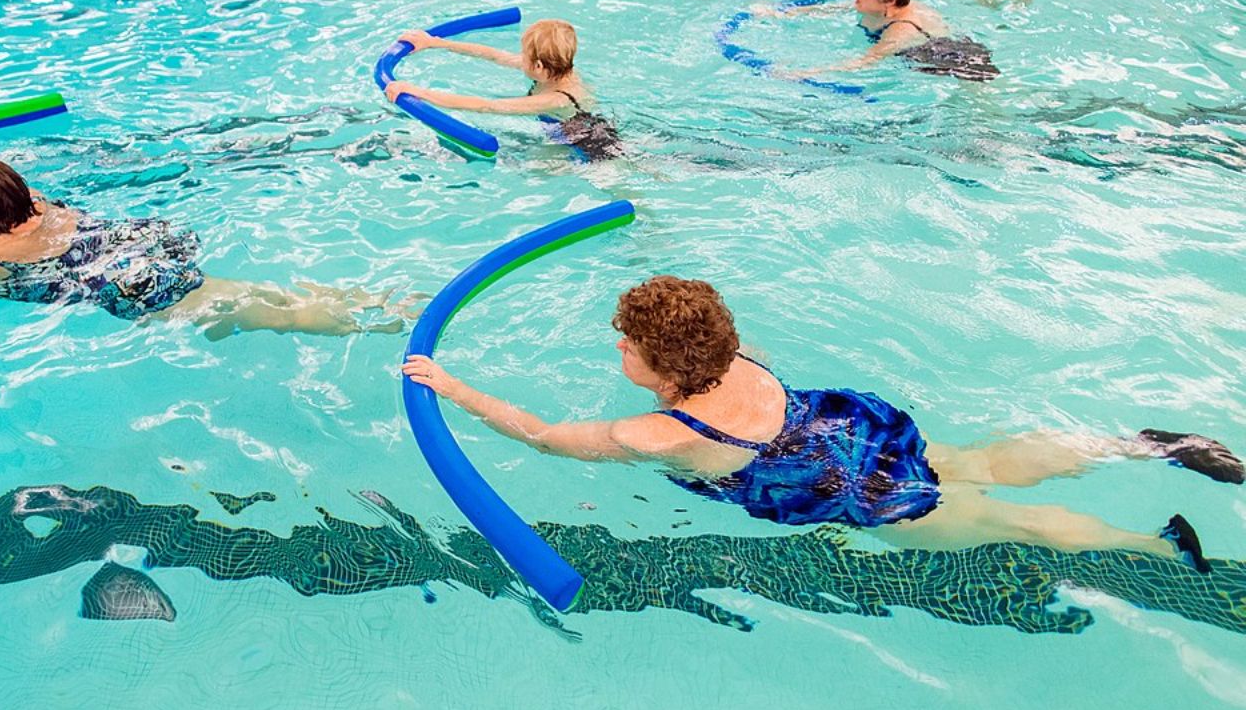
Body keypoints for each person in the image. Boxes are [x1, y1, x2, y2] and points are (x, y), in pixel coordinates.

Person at [403, 275, 1239, 571]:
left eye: (627, 342)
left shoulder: (655, 434)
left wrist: (453, 386)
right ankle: (1135, 445)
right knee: (976, 459)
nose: (617, 345)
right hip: (855, 430)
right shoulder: (734, 354)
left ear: (661, 367)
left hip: (847, 489)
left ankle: (1150, 548)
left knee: (1003, 523)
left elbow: (544, 435)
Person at [0, 153, 411, 344]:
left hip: (131, 282)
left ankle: (384, 326)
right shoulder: (34, 200)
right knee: (252, 295)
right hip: (133, 242)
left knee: (275, 316)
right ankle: (383, 301)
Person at [381, 18, 623, 161]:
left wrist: (418, 92)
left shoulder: (556, 99)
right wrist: (436, 42)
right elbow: (495, 56)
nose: (519, 59)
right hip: (570, 135)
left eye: (524, 56)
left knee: (530, 169)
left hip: (592, 151)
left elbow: (487, 106)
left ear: (538, 66)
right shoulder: (555, 68)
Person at [772, 0, 999, 81]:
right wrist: (783, 13)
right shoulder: (881, 4)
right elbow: (836, 8)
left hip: (957, 66)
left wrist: (802, 74)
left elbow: (865, 62)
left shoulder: (901, 30)